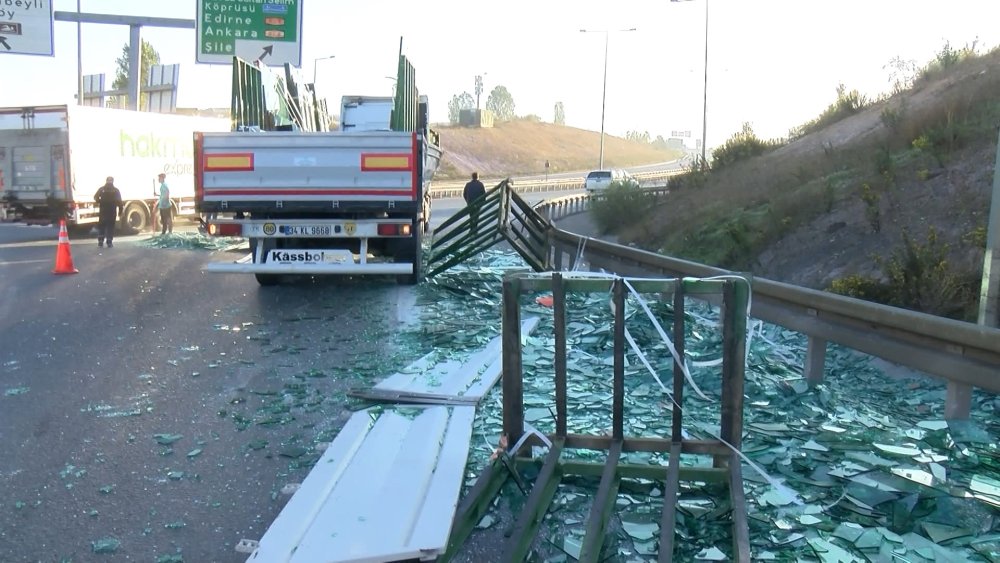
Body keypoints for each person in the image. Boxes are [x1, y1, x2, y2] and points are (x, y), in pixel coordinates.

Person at [94, 176, 123, 248]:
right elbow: (120, 202)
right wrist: (120, 211)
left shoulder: (102, 189)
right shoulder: (116, 190)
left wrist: (100, 201)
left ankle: (100, 241)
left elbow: (95, 197)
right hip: (112, 211)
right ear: (113, 181)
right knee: (110, 226)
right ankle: (109, 241)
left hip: (103, 211)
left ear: (106, 181)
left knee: (102, 226)